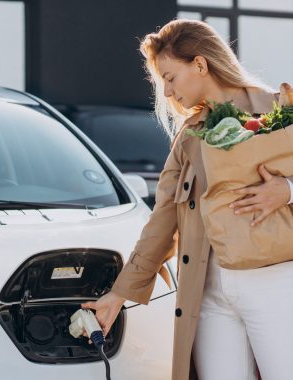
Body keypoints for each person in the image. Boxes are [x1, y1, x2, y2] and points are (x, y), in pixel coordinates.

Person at [81, 19, 293, 380]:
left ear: (199, 64)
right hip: (206, 291)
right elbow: (163, 219)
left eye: (170, 77)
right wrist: (119, 294)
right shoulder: (189, 137)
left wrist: (287, 189)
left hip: (274, 280)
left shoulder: (278, 109)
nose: (166, 92)